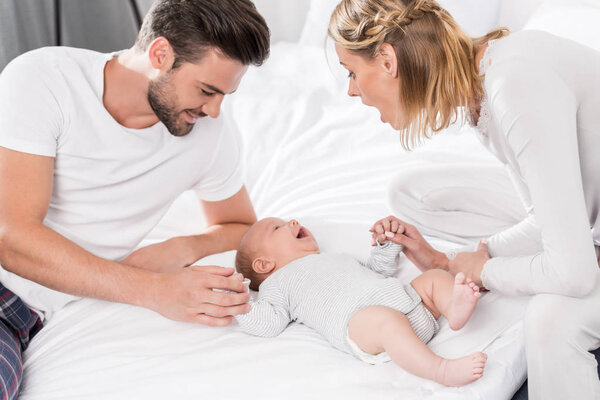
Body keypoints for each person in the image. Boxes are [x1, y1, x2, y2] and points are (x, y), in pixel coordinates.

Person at [328, 0, 600, 399]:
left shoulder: (516, 86)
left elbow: (573, 274)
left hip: (586, 236)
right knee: (409, 192)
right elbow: (545, 218)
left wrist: (486, 272)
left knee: (548, 325)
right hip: (588, 216)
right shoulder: (484, 88)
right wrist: (457, 262)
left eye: (352, 72)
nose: (351, 89)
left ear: (387, 60)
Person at [0, 0, 270, 398]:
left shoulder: (210, 137)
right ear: (160, 53)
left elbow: (242, 226)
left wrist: (180, 248)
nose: (214, 110)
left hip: (21, 314)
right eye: (207, 90)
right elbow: (11, 237)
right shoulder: (45, 79)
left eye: (225, 94)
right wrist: (152, 289)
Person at [234, 216, 487, 386]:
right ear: (264, 264)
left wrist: (385, 244)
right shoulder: (277, 284)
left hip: (410, 303)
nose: (293, 222)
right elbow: (268, 323)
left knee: (434, 278)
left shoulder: (334, 257)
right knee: (386, 320)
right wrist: (236, 298)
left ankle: (453, 307)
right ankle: (441, 370)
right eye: (278, 228)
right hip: (364, 327)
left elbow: (376, 270)